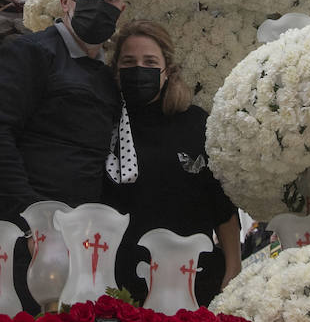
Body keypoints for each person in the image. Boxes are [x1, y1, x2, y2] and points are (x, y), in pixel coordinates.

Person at [0, 0, 126, 308]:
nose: (99, 4)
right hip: (21, 237)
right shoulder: (28, 53)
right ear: (65, 1)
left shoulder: (108, 76)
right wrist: (34, 220)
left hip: (80, 243)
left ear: (121, 10)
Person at [103, 20, 241, 307]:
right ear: (116, 70)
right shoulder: (103, 124)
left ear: (167, 70)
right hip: (120, 286)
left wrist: (234, 269)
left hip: (193, 281)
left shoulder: (195, 123)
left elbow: (222, 205)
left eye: (150, 61)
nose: (139, 68)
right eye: (129, 62)